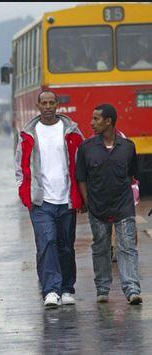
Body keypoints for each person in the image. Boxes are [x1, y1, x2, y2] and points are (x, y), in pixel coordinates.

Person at [15, 90, 84, 308]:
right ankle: (51, 290)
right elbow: (20, 167)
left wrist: (81, 196)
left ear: (57, 105)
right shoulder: (29, 134)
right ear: (38, 106)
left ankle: (66, 288)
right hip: (41, 201)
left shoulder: (71, 131)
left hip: (66, 199)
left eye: (51, 103)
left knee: (65, 245)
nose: (47, 106)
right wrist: (25, 193)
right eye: (43, 103)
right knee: (47, 242)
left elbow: (81, 164)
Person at [76, 104, 142, 305]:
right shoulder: (86, 148)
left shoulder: (128, 147)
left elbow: (131, 176)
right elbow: (81, 179)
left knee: (127, 247)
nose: (91, 123)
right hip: (97, 208)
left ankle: (132, 290)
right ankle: (102, 289)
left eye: (96, 119)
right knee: (101, 248)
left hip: (123, 207)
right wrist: (89, 204)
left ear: (108, 122)